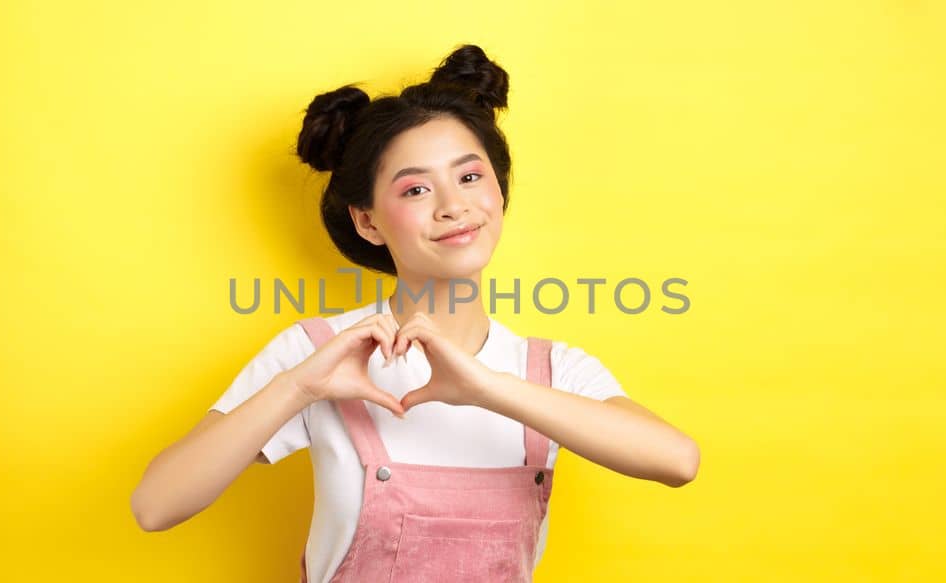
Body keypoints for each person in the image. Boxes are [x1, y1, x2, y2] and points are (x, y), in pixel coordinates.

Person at [131, 44, 699, 582]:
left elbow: (677, 460)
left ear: (499, 192)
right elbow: (156, 506)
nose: (454, 206)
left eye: (470, 177)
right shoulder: (318, 353)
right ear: (368, 222)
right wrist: (300, 388)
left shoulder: (550, 371)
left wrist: (488, 387)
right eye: (415, 190)